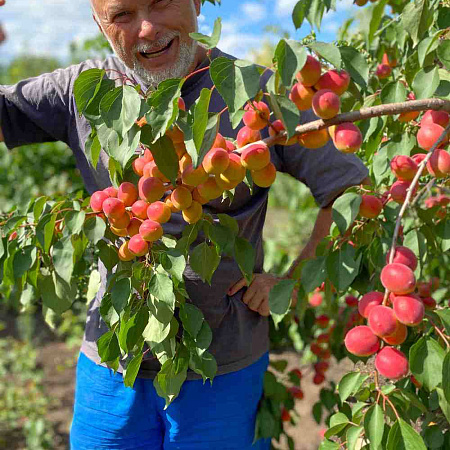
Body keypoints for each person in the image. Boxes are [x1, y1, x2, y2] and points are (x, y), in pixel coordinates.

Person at [0, 0, 369, 448]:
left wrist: (293, 280)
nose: (147, 28)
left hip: (224, 369)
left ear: (196, 3)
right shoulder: (84, 89)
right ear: (99, 24)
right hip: (110, 362)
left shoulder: (255, 94)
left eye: (162, 2)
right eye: (122, 15)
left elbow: (349, 192)